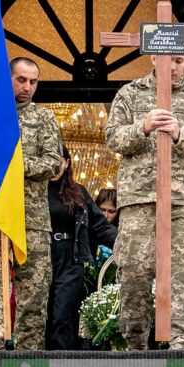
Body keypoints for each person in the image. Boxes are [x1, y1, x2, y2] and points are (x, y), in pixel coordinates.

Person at [105, 54, 184, 350]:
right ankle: (134, 343)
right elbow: (113, 138)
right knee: (133, 269)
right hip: (140, 198)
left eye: (180, 61)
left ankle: (182, 343)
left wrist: (181, 134)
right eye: (168, 59)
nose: (173, 67)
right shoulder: (130, 93)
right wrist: (142, 127)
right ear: (154, 57)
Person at [0, 57, 64, 350]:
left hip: (33, 221)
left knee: (35, 294)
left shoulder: (44, 119)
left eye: (33, 82)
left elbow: (53, 164)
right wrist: (0, 165)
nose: (27, 87)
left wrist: (15, 165)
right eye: (21, 80)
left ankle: (28, 357)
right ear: (8, 79)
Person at [45, 145, 118, 350]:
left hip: (70, 256)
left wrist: (125, 243)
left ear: (67, 163)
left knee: (63, 313)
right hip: (41, 255)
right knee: (42, 315)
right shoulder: (32, 193)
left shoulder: (77, 192)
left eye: (58, 159)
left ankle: (63, 365)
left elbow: (100, 227)